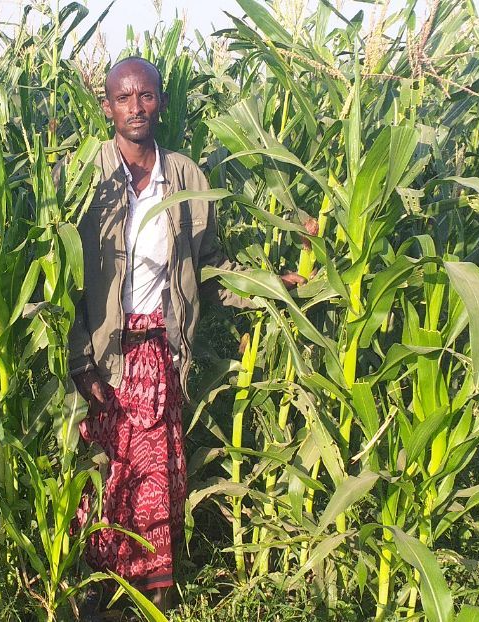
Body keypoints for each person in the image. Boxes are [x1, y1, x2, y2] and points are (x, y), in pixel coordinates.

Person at [67, 56, 315, 616]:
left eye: (147, 96)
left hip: (158, 350)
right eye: (124, 98)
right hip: (102, 353)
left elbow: (211, 269)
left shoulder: (185, 179)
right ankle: (99, 589)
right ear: (106, 106)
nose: (136, 108)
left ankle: (155, 591)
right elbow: (63, 280)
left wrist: (274, 286)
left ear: (160, 101)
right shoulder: (84, 178)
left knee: (154, 473)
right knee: (104, 474)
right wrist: (81, 359)